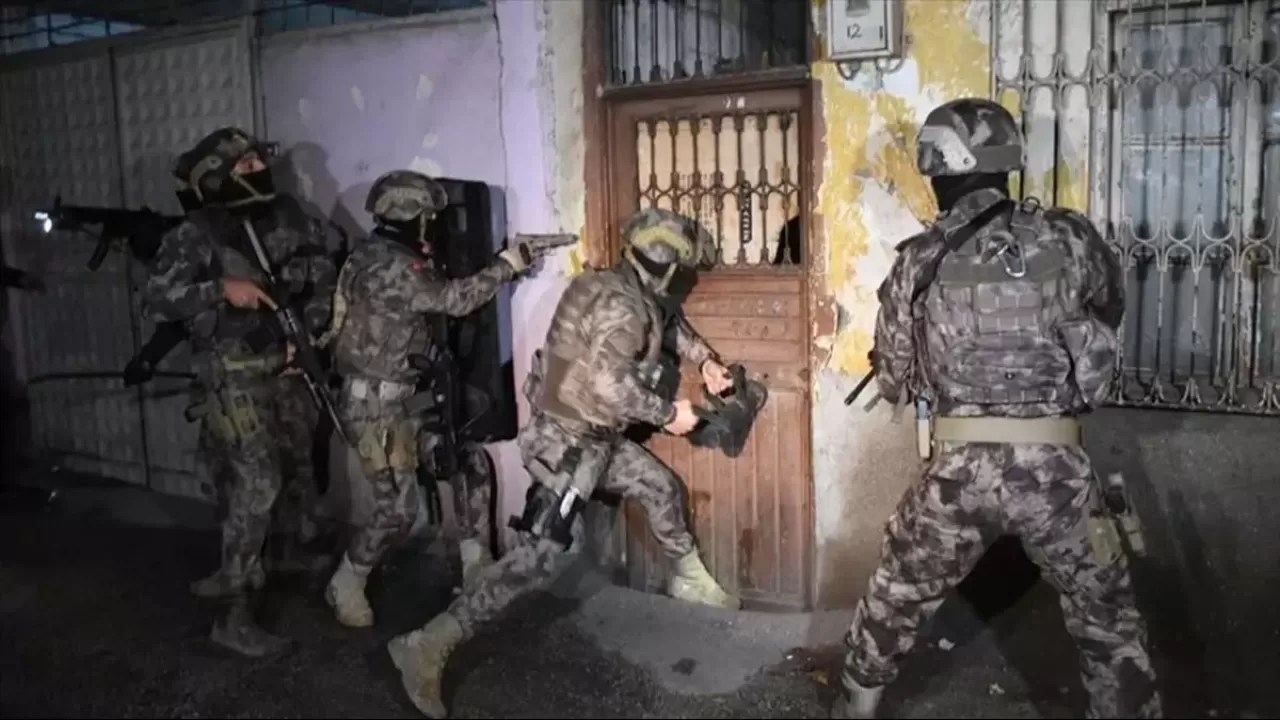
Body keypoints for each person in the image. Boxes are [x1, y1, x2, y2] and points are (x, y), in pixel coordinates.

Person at [831, 97, 1161, 719]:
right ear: (1007, 164)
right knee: (1107, 621)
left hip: (958, 474)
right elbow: (1110, 307)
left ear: (938, 172)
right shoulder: (1070, 237)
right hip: (1056, 469)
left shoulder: (919, 259)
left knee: (895, 597)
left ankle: (856, 706)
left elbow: (894, 377)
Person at [385, 207, 740, 719]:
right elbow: (608, 385)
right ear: (665, 269)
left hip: (593, 438)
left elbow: (668, 324)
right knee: (540, 557)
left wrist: (704, 360)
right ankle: (427, 644)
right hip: (568, 446)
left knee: (659, 486)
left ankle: (689, 579)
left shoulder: (616, 285)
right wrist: (670, 414)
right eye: (681, 271)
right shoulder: (625, 308)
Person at [320, 169, 557, 628]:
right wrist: (508, 264)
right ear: (412, 215)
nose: (433, 223)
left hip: (406, 399)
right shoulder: (390, 266)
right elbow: (454, 300)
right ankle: (346, 581)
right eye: (429, 216)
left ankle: (475, 566)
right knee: (397, 510)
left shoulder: (381, 254)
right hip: (374, 407)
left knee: (466, 461)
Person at [142, 127, 337, 657]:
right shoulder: (195, 235)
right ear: (215, 179)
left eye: (257, 162)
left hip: (287, 368)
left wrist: (305, 334)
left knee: (297, 467)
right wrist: (221, 289)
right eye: (244, 166)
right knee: (257, 485)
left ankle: (284, 556)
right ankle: (233, 613)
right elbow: (156, 300)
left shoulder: (288, 216)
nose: (258, 171)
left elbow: (322, 278)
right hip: (234, 376)